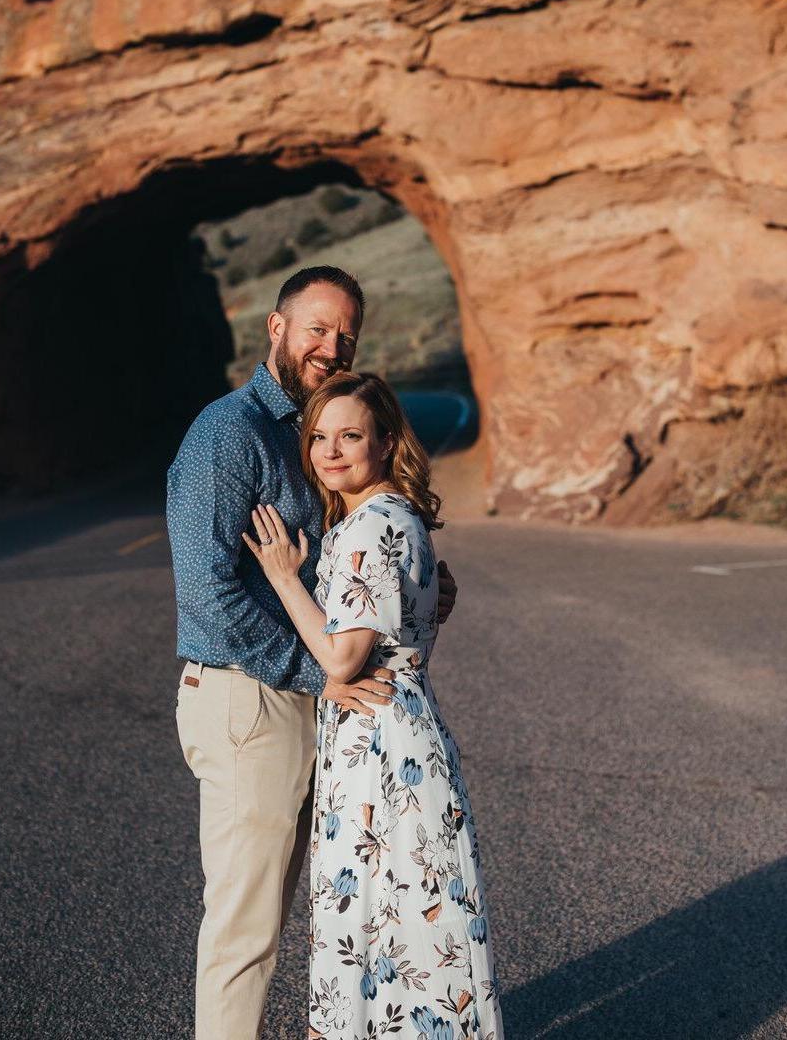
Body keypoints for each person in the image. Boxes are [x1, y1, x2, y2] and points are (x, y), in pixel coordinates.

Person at [167, 266, 458, 1040]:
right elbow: (207, 594)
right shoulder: (227, 435)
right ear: (277, 328)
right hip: (250, 697)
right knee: (246, 928)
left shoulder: (311, 430)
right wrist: (318, 674)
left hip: (314, 696)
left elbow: (348, 561)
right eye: (317, 329)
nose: (332, 347)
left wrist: (414, 586)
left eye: (346, 336)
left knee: (338, 911)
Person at [242, 371, 504, 1040]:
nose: (330, 452)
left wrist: (283, 577)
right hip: (392, 730)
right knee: (401, 920)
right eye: (318, 437)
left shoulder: (372, 526)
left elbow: (341, 659)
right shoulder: (389, 517)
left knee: (377, 916)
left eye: (350, 436)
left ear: (386, 442)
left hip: (381, 745)